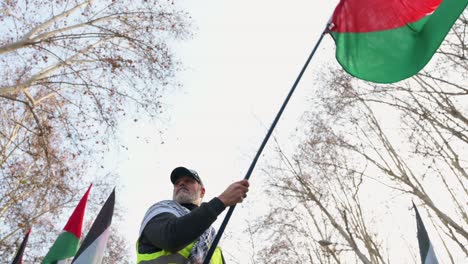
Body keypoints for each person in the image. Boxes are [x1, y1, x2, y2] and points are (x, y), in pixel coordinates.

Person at [136, 166, 249, 264]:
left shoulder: (212, 236)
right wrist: (221, 201)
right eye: (177, 183)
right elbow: (172, 238)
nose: (181, 183)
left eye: (189, 180)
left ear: (202, 191)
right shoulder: (160, 210)